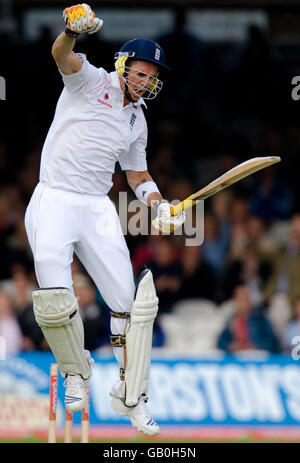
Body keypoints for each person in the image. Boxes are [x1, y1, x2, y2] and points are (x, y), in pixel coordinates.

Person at [24, 3, 185, 436]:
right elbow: (62, 55)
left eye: (153, 76)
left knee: (130, 307)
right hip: (55, 197)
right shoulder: (91, 81)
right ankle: (76, 371)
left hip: (97, 207)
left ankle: (131, 395)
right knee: (56, 299)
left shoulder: (138, 120)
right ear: (123, 65)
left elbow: (139, 176)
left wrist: (160, 206)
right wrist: (71, 32)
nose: (146, 80)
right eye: (140, 71)